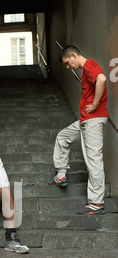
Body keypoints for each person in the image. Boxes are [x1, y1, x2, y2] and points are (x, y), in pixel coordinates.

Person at [53, 45, 109, 215]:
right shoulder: (85, 71)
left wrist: (95, 104)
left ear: (74, 55)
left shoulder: (90, 65)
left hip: (93, 121)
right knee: (63, 137)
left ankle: (96, 203)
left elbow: (102, 79)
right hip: (85, 121)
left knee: (93, 160)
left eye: (68, 63)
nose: (68, 67)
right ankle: (61, 173)